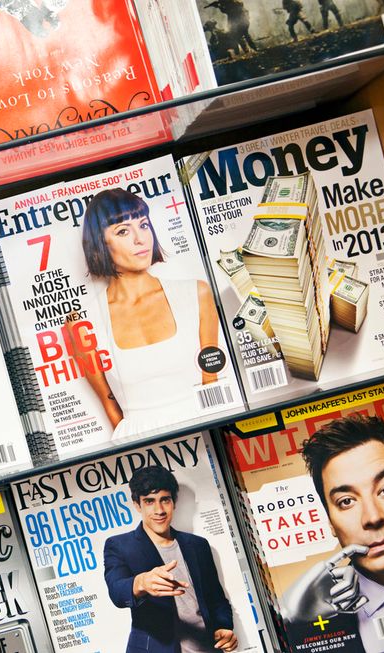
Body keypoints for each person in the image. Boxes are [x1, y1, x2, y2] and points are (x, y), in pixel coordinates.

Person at [80, 188, 222, 438]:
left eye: (144, 225)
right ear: (100, 243)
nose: (140, 239)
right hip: (137, 438)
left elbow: (211, 380)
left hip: (205, 424)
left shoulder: (196, 292)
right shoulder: (84, 322)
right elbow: (107, 401)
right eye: (123, 231)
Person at [281, 414, 384, 651]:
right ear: (330, 522)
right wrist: (300, 629)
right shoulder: (317, 620)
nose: (373, 517)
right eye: (346, 501)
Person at [103, 465, 238, 653]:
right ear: (137, 505)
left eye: (164, 500)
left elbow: (216, 599)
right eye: (149, 501)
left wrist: (224, 627)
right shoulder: (120, 545)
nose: (159, 510)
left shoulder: (197, 545)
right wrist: (141, 583)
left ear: (174, 502)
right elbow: (117, 591)